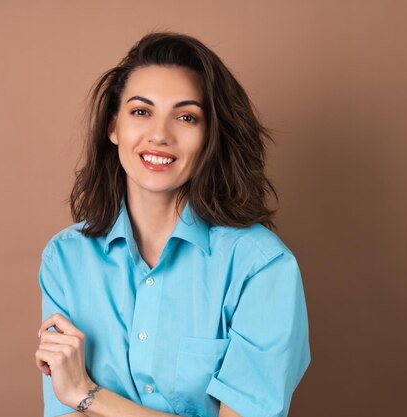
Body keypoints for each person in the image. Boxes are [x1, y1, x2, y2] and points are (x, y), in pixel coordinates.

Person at [35, 32, 310, 417]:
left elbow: (74, 398)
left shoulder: (261, 268)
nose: (160, 135)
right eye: (141, 112)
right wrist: (77, 397)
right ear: (113, 127)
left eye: (186, 117)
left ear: (211, 135)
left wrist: (89, 394)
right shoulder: (66, 258)